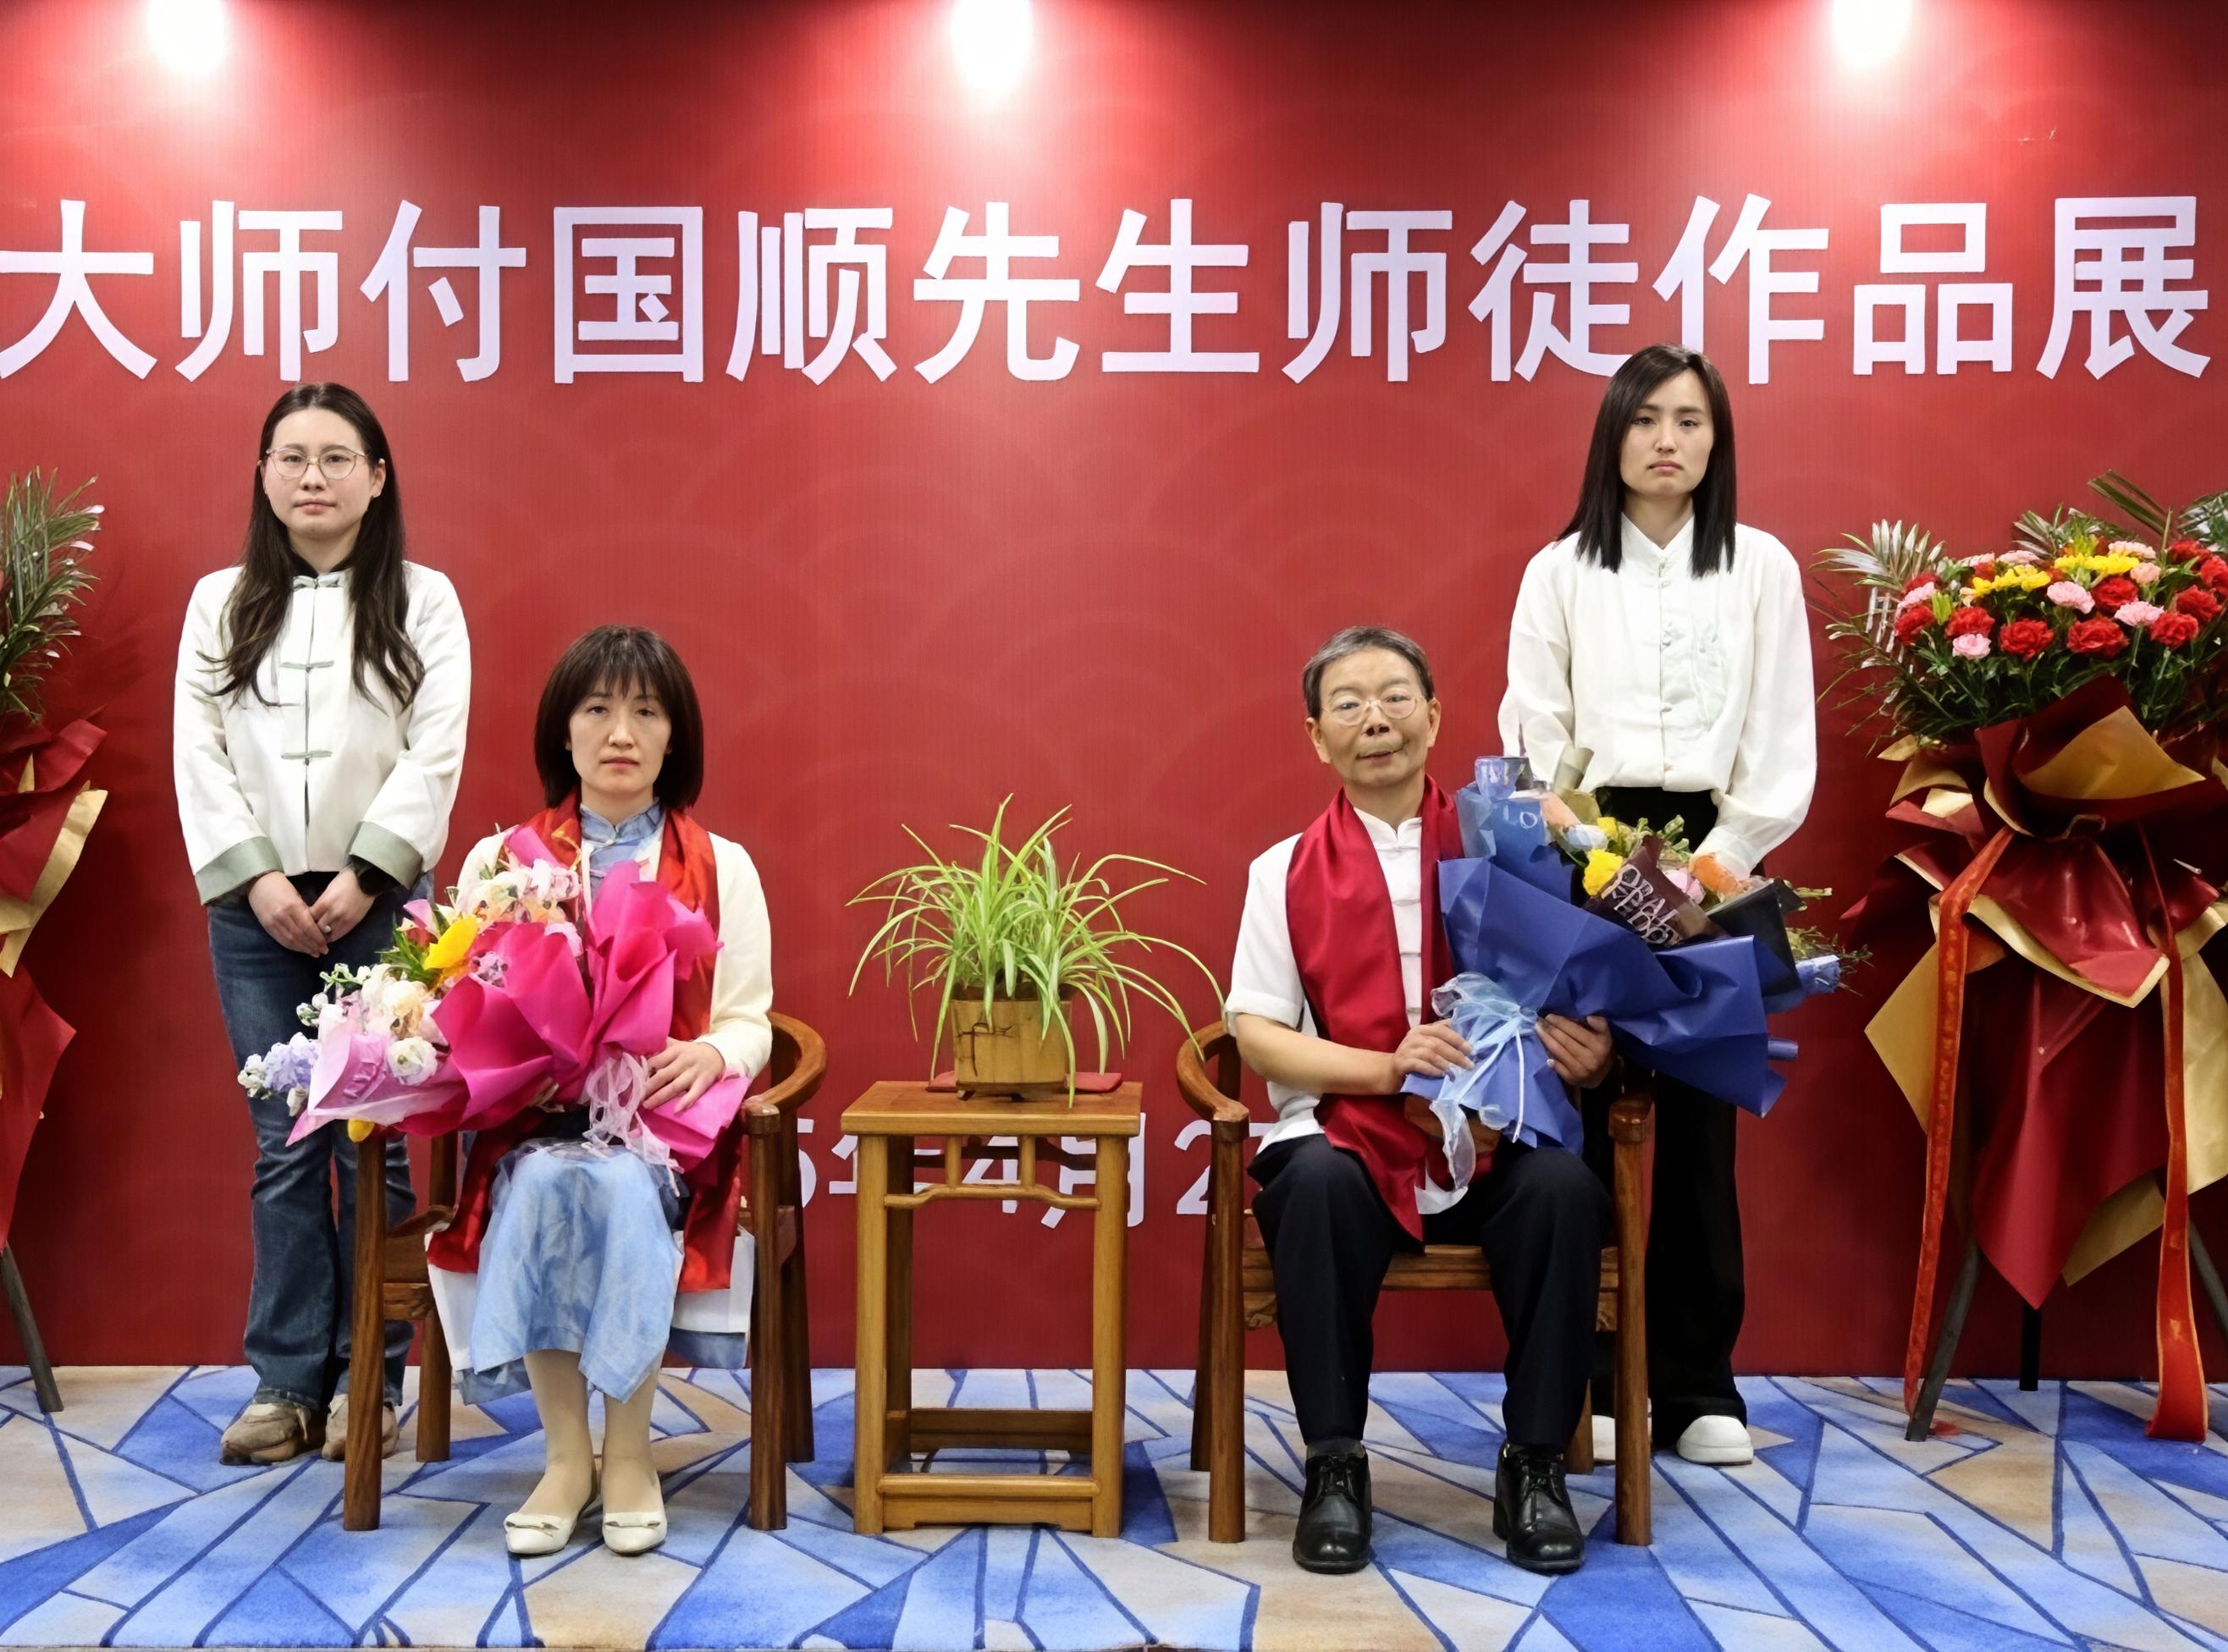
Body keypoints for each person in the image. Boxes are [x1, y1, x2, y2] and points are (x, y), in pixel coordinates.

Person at [1226, 625, 1614, 1577]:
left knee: (1563, 1191)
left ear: (1435, 717)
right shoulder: (1281, 869)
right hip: (1353, 1129)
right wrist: (1386, 1068)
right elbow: (1257, 1031)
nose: (1376, 720)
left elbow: (1587, 995)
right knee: (1311, 1184)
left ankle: (1534, 1466)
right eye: (1348, 703)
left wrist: (1594, 1050)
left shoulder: (1523, 844)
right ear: (1316, 735)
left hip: (1498, 1131)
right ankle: (1334, 1463)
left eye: (1396, 697)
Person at [1498, 343, 1817, 1467]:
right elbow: (1534, 737)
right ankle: (1589, 1376)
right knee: (1581, 1108)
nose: (1666, 440)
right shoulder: (1560, 572)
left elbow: (1780, 744)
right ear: (1613, 436)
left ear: (1717, 439)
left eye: (1689, 420)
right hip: (1586, 855)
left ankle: (1695, 1384)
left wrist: (1708, 873)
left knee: (1696, 1125)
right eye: (1645, 419)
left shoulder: (1760, 567)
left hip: (1718, 856)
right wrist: (1602, 862)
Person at [427, 625, 772, 1559]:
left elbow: (752, 1019)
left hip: (662, 1135)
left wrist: (713, 1054)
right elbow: (458, 996)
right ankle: (563, 1458)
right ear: (564, 731)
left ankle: (628, 1456)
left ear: (674, 737)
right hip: (535, 1126)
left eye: (646, 712)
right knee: (547, 1181)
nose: (621, 732)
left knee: (617, 1186)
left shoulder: (723, 866)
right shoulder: (502, 861)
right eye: (598, 709)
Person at [175, 383, 471, 1465]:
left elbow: (436, 747)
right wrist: (258, 879)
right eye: (291, 457)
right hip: (255, 905)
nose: (313, 477)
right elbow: (198, 750)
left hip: (377, 901)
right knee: (283, 1141)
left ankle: (370, 1380)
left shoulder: (424, 600)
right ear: (262, 475)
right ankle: (285, 1380)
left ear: (377, 478)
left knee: (373, 1142)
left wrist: (365, 874)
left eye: (337, 457)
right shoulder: (219, 603)